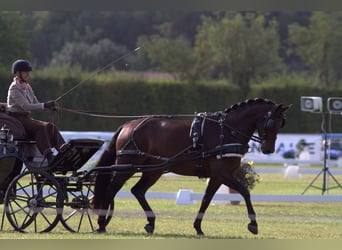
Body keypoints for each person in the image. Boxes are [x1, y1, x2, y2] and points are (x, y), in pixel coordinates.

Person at [6, 59, 65, 164]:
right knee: (40, 128)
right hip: (17, 119)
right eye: (25, 72)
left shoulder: (27, 86)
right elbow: (25, 106)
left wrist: (49, 106)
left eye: (28, 72)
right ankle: (49, 156)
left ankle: (63, 152)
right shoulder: (14, 88)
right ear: (18, 73)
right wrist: (44, 105)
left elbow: (35, 103)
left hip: (26, 118)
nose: (28, 74)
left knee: (50, 126)